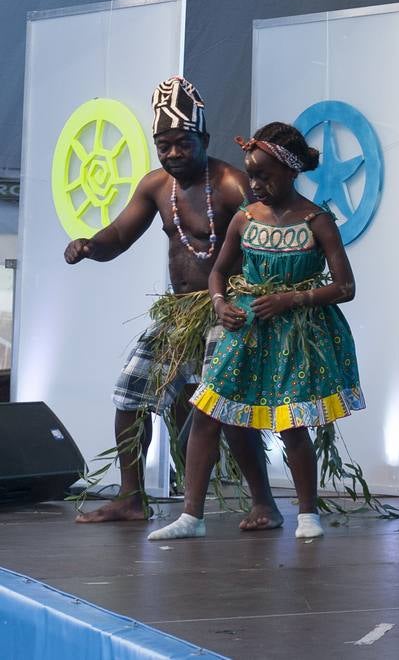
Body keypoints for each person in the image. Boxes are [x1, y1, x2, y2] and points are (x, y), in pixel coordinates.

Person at [64, 77, 278, 530]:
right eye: (164, 145)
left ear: (203, 139)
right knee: (130, 394)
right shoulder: (156, 186)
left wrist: (246, 305)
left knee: (227, 408)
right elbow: (118, 236)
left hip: (229, 309)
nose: (173, 153)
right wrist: (89, 245)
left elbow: (269, 244)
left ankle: (264, 503)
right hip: (180, 313)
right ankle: (131, 497)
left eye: (182, 143)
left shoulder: (233, 185)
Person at [148, 122, 363, 540]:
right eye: (252, 174)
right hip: (244, 327)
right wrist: (220, 303)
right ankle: (191, 517)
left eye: (265, 175)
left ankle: (307, 514)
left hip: (293, 333)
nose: (256, 183)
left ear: (291, 171)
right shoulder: (244, 219)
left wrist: (291, 300)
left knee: (290, 420)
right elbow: (219, 273)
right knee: (210, 411)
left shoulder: (317, 221)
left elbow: (345, 287)